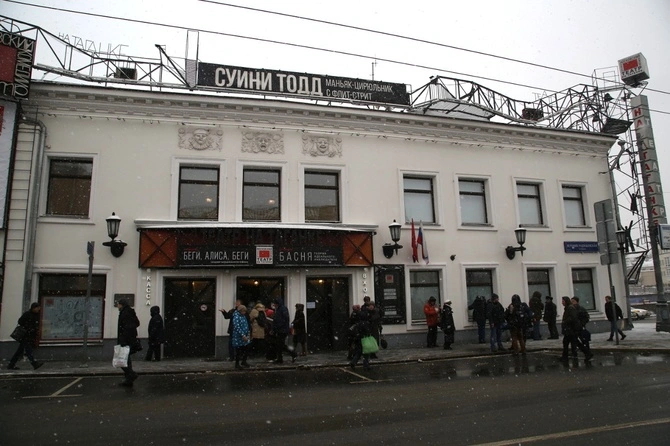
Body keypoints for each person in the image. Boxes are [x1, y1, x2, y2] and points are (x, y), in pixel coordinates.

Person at [7, 302, 44, 371]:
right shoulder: (27, 314)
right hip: (25, 335)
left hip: (30, 335)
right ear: (33, 308)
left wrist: (35, 331)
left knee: (19, 351)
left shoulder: (36, 315)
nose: (38, 309)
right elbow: (20, 321)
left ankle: (11, 364)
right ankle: (34, 363)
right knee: (28, 350)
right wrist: (27, 327)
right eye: (37, 308)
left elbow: (35, 324)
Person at [561, 296, 592, 362]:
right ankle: (566, 356)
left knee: (573, 343)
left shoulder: (571, 308)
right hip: (570, 329)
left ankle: (586, 353)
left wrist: (565, 321)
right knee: (571, 342)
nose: (562, 302)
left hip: (571, 329)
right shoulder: (569, 308)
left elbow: (573, 318)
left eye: (563, 301)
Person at [116, 299, 140, 386]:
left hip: (126, 340)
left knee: (122, 360)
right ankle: (129, 379)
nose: (117, 306)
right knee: (126, 359)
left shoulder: (124, 313)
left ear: (121, 305)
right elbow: (137, 323)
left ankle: (131, 374)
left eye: (118, 304)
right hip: (130, 339)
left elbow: (126, 327)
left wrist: (123, 339)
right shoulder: (130, 312)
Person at [268, 297, 297, 364]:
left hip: (282, 330)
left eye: (275, 304)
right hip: (282, 330)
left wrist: (275, 328)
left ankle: (291, 354)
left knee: (280, 345)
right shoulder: (281, 309)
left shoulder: (281, 310)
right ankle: (282, 357)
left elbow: (281, 320)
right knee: (280, 345)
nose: (274, 305)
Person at [349, 305, 372, 370]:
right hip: (364, 339)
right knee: (366, 352)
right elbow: (367, 332)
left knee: (359, 352)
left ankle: (353, 362)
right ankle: (366, 365)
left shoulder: (357, 323)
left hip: (358, 339)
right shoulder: (365, 323)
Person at [232, 305, 251, 369]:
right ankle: (237, 364)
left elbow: (246, 325)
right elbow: (237, 327)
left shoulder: (243, 316)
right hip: (238, 336)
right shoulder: (236, 317)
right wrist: (242, 335)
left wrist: (247, 333)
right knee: (238, 350)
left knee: (246, 348)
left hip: (245, 335)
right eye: (243, 311)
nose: (244, 312)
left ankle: (244, 361)